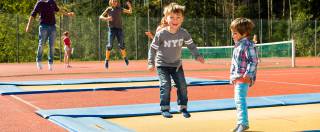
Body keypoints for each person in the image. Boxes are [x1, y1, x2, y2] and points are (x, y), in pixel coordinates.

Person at [147, 2, 205, 118]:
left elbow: (191, 45)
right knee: (165, 85)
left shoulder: (183, 33)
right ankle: (164, 108)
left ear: (182, 19)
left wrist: (197, 55)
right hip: (162, 65)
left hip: (177, 65)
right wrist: (150, 62)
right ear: (166, 18)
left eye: (178, 17)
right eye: (172, 17)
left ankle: (183, 107)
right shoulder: (161, 34)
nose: (175, 20)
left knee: (182, 85)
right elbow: (152, 49)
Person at [26, 0, 74, 71]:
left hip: (52, 27)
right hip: (43, 27)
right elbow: (33, 14)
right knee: (41, 44)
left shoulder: (52, 2)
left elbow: (58, 10)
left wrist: (67, 14)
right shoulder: (40, 3)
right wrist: (28, 26)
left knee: (51, 46)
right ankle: (39, 61)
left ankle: (50, 63)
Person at [229, 18, 258, 132]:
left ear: (244, 33)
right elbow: (234, 63)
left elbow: (253, 61)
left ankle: (243, 123)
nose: (232, 35)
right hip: (237, 77)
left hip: (243, 78)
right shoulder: (238, 45)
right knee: (238, 100)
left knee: (240, 99)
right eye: (232, 33)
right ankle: (240, 122)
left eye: (235, 33)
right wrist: (232, 76)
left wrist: (247, 75)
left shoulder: (248, 45)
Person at [99, 0, 132, 69]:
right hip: (112, 30)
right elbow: (100, 17)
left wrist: (129, 6)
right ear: (111, 2)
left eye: (116, 1)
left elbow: (130, 11)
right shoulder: (108, 9)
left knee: (122, 45)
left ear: (117, 2)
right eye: (113, 1)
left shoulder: (120, 8)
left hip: (119, 30)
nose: (115, 2)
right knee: (109, 45)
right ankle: (107, 60)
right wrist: (106, 18)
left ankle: (125, 58)